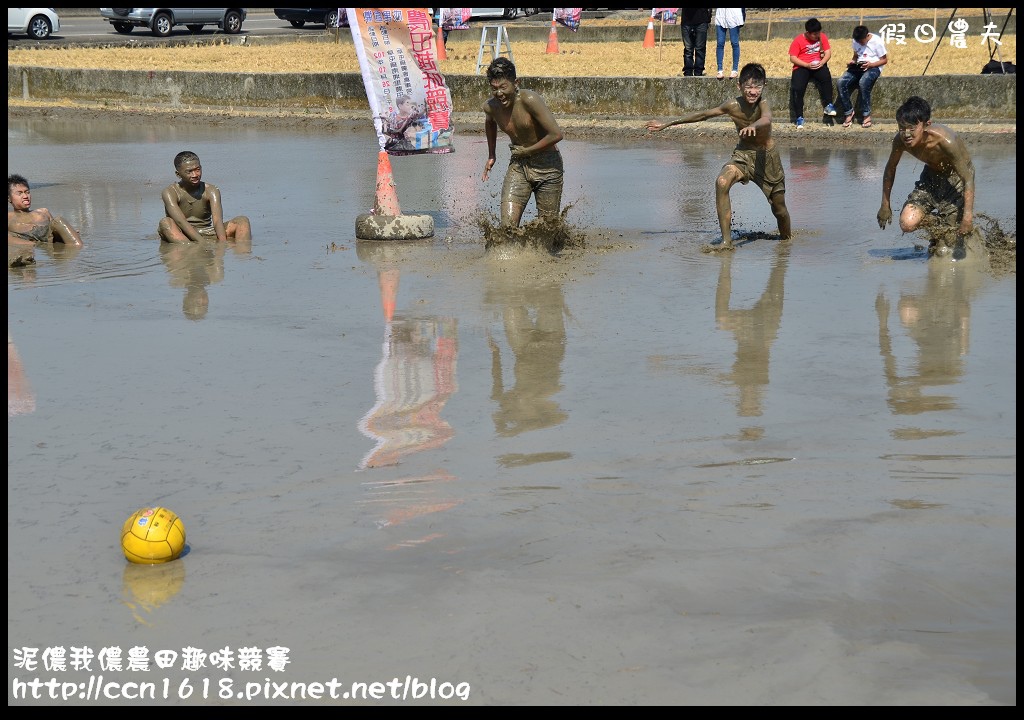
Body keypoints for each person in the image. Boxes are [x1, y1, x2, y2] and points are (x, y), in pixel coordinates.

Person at [646, 63, 791, 249]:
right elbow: (703, 115)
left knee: (779, 209)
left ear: (764, 85)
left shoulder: (763, 104)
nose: (753, 92)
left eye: (758, 87)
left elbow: (766, 119)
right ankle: (726, 241)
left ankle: (787, 242)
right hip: (743, 155)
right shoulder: (732, 105)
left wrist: (753, 126)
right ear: (739, 85)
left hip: (767, 158)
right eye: (749, 87)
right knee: (722, 181)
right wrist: (667, 123)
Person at [877, 96, 976, 257]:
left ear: (926, 125)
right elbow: (890, 169)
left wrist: (967, 216)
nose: (906, 134)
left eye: (911, 128)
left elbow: (968, 178)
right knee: (907, 223)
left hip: (957, 178)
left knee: (948, 248)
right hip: (930, 176)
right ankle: (940, 224)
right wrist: (885, 204)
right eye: (902, 128)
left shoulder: (945, 142)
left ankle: (949, 228)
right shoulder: (900, 141)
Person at [482, 57, 565, 229]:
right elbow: (490, 122)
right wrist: (492, 154)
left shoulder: (529, 100)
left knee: (547, 229)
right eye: (494, 89)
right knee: (507, 227)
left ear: (515, 83)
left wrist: (528, 151)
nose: (499, 94)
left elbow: (556, 134)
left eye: (504, 87)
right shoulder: (490, 106)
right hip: (519, 165)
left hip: (548, 166)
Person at [158, 151, 251, 245]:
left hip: (207, 231)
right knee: (165, 223)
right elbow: (181, 221)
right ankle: (188, 247)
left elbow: (218, 221)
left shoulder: (211, 190)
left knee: (242, 221)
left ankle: (243, 254)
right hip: (182, 233)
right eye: (189, 171)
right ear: (178, 174)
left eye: (197, 169)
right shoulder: (170, 192)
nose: (195, 175)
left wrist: (223, 244)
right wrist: (202, 244)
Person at [8, 173, 82, 266]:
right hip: (27, 241)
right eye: (19, 193)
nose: (25, 196)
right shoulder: (9, 216)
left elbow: (56, 228)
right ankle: (20, 262)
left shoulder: (43, 212)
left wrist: (71, 231)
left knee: (59, 220)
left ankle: (78, 252)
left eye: (27, 192)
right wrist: (29, 244)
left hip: (50, 236)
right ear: (9, 198)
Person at [788, 18, 837, 128]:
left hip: (818, 64)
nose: (817, 36)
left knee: (826, 77)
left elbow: (828, 52)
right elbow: (793, 58)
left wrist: (822, 62)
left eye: (818, 33)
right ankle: (799, 117)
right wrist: (806, 65)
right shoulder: (798, 40)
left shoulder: (822, 36)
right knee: (798, 88)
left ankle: (829, 105)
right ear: (808, 33)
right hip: (802, 66)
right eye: (815, 34)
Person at [837, 25, 888, 129]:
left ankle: (866, 114)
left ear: (867, 36)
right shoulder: (855, 41)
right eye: (858, 41)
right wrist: (852, 62)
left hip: (874, 67)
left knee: (863, 82)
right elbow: (856, 56)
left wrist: (871, 65)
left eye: (861, 41)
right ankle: (848, 112)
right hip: (859, 66)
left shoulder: (877, 41)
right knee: (841, 82)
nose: (859, 43)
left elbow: (884, 60)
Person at [713, 8, 744, 80]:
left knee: (734, 43)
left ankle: (735, 70)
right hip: (721, 14)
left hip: (733, 14)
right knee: (720, 43)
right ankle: (719, 70)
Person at [680, 8, 712, 77]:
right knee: (688, 49)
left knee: (700, 49)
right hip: (687, 20)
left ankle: (698, 72)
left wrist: (709, 16)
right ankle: (688, 72)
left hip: (702, 19)